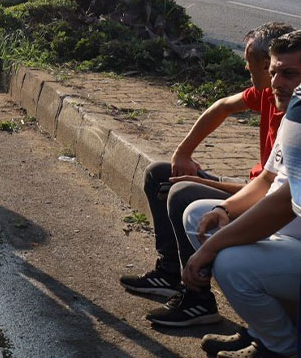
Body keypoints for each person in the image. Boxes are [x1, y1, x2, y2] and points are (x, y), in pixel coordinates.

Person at [119, 22, 297, 328]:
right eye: (274, 73)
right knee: (160, 174)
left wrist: (203, 184)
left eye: (250, 61)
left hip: (274, 209)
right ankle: (169, 273)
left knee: (182, 194)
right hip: (260, 193)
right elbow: (221, 107)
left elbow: (278, 195)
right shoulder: (269, 94)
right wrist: (183, 153)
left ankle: (197, 298)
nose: (246, 67)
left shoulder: (293, 112)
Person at [180, 31, 301, 357]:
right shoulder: (295, 114)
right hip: (283, 237)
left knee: (232, 263)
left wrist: (213, 248)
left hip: (294, 240)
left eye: (289, 74)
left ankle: (281, 347)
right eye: (274, 72)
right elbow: (266, 182)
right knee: (197, 215)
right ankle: (260, 329)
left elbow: (283, 205)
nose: (276, 82)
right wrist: (224, 209)